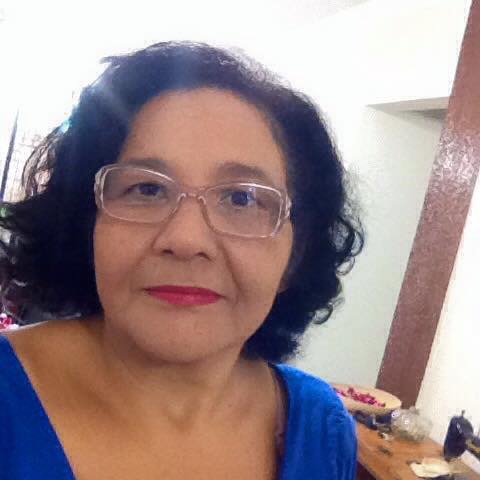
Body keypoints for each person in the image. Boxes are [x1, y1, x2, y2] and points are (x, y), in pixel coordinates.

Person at [0, 41, 364, 479]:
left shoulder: (323, 430)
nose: (186, 239)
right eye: (147, 189)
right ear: (88, 224)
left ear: (296, 253)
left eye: (242, 198)